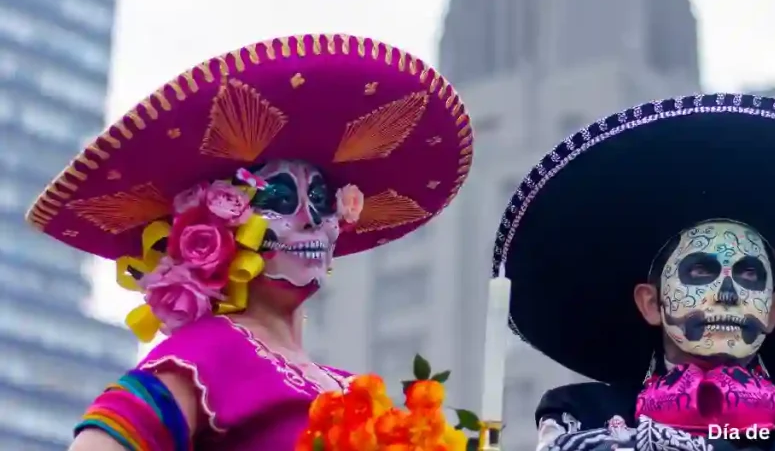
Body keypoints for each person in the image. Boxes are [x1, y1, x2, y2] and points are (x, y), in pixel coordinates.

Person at [26, 33, 475, 450]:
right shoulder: (207, 352)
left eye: (320, 199)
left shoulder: (354, 391)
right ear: (212, 224)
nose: (308, 220)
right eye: (278, 198)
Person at [490, 94, 775, 451]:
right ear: (651, 302)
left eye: (749, 275)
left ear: (774, 310)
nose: (727, 293)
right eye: (701, 271)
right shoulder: (576, 414)